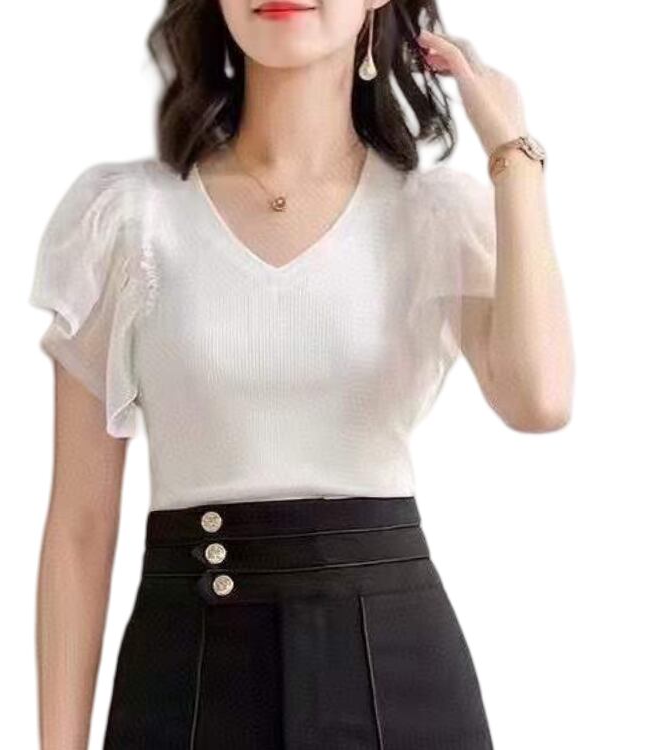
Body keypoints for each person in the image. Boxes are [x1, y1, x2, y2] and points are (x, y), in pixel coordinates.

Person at [29, 1, 574, 748]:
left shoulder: (437, 216)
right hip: (186, 674)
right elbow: (80, 527)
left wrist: (513, 157)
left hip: (397, 673)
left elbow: (540, 399)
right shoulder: (127, 218)